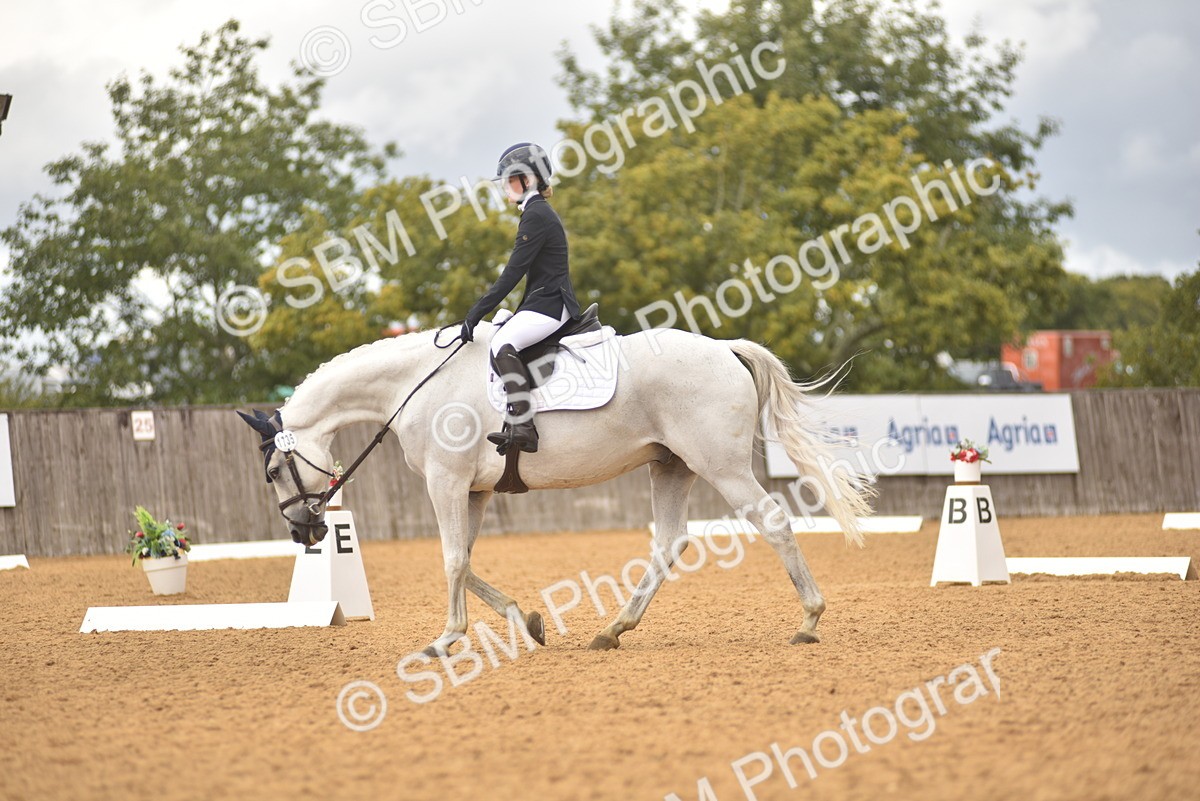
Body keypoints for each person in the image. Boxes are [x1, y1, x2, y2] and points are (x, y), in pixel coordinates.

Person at [460, 143, 581, 455]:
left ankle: (524, 426)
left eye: (509, 181)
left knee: (501, 344)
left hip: (551, 305)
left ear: (527, 180)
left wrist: (476, 312)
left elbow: (513, 273)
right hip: (544, 301)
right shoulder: (535, 212)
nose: (504, 189)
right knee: (503, 332)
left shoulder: (536, 215)